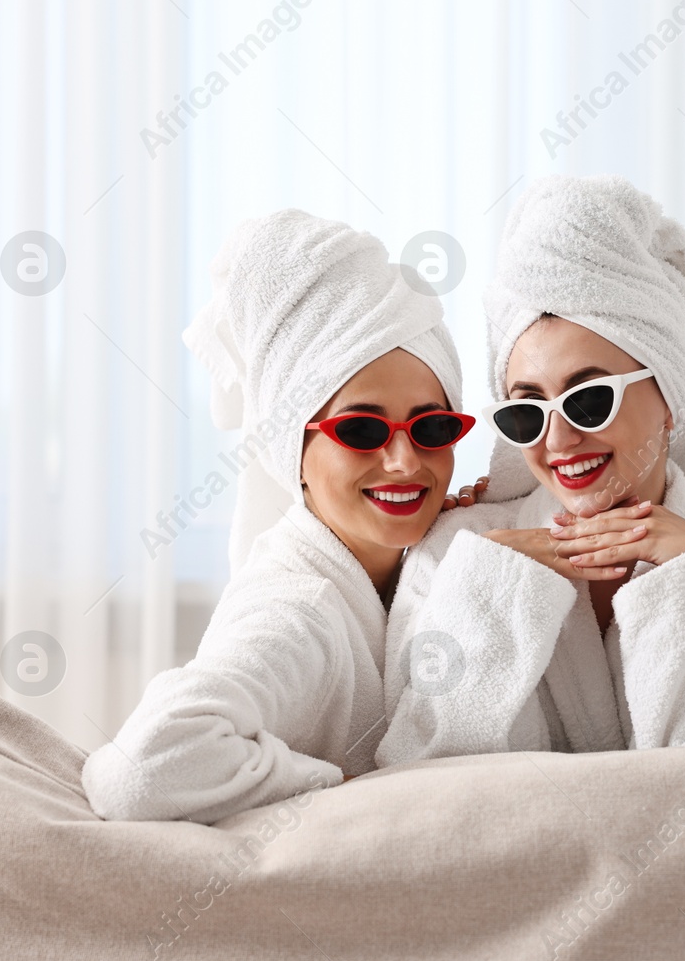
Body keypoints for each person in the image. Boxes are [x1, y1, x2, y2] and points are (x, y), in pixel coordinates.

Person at [374, 176, 685, 765]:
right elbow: (426, 768)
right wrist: (495, 590)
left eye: (589, 399)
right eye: (527, 411)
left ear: (670, 398)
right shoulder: (457, 554)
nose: (558, 439)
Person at [82, 210, 480, 823]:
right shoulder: (302, 608)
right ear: (292, 450)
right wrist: (344, 785)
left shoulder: (407, 571)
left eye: (432, 427)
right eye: (361, 429)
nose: (404, 461)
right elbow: (139, 771)